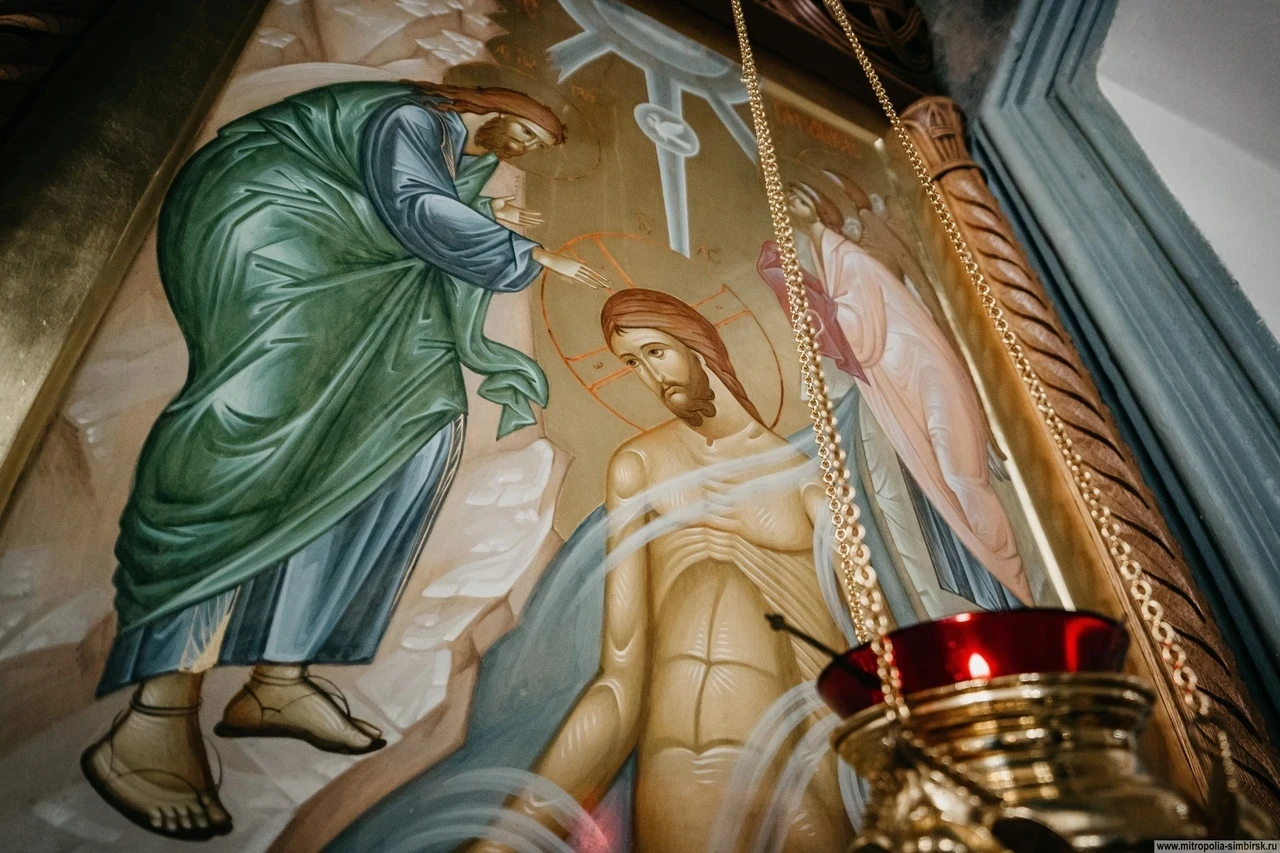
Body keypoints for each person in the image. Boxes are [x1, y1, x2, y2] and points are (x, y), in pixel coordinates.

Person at [81, 79, 606, 841]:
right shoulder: (411, 115)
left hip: (365, 270)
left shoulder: (450, 151)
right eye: (525, 132)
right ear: (490, 105)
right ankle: (156, 712)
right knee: (257, 435)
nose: (520, 149)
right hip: (276, 232)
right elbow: (414, 207)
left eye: (533, 148)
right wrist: (528, 254)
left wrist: (482, 214)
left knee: (415, 423)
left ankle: (280, 672)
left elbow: (418, 205)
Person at [468, 288, 851, 853]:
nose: (650, 377)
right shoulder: (640, 468)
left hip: (791, 774)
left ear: (699, 345)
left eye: (656, 352)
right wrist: (507, 839)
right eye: (632, 363)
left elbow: (866, 660)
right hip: (673, 784)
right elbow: (619, 682)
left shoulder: (806, 484)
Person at [784, 181, 1032, 604]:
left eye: (799, 196)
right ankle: (1005, 582)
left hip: (922, 368)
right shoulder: (828, 257)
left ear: (818, 203)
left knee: (960, 474)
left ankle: (1014, 576)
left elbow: (862, 331)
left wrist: (818, 318)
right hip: (900, 377)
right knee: (945, 479)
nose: (794, 204)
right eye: (789, 200)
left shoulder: (848, 257)